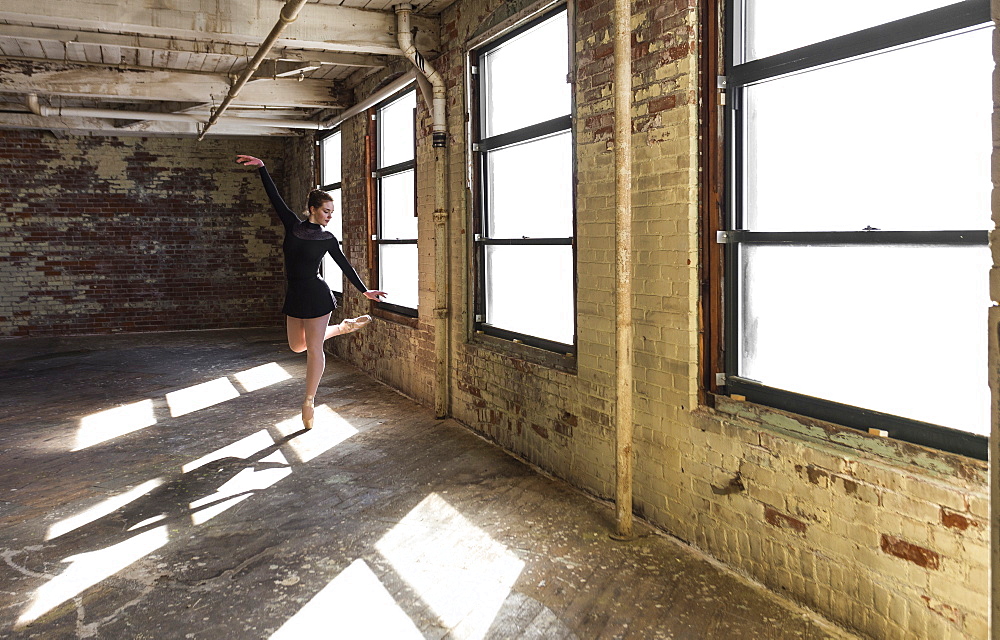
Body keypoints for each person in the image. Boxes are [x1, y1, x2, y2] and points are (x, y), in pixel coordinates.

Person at [236, 154, 386, 430]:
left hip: (318, 295)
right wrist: (262, 168)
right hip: (295, 295)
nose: (330, 216)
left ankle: (308, 401)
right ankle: (342, 328)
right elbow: (274, 198)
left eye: (332, 212)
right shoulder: (292, 226)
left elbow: (344, 265)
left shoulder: (327, 239)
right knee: (297, 346)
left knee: (314, 350)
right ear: (312, 209)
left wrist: (365, 291)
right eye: (327, 211)